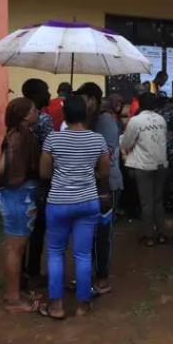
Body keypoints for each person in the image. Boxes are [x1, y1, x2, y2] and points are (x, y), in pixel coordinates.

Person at [38, 95, 110, 319]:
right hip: (88, 202)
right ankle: (82, 305)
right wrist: (90, 174)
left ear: (65, 115)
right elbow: (105, 172)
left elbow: (44, 173)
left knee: (56, 253)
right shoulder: (98, 140)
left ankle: (57, 306)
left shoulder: (53, 139)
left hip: (58, 202)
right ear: (86, 114)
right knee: (83, 254)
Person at [0, 97, 41, 313]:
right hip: (17, 195)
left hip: (17, 195)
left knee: (17, 247)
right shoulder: (18, 138)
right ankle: (13, 299)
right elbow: (3, 169)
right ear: (24, 115)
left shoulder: (20, 134)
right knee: (15, 248)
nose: (37, 111)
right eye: (33, 109)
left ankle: (14, 292)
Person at [76, 82, 122, 295]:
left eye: (84, 99)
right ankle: (86, 275)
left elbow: (106, 155)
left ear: (93, 100)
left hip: (106, 185)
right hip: (88, 184)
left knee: (102, 234)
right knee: (87, 233)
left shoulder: (106, 122)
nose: (81, 103)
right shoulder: (86, 121)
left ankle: (102, 277)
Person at [121, 92, 169, 247]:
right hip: (161, 164)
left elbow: (127, 143)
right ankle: (161, 234)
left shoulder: (136, 121)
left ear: (140, 104)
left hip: (144, 166)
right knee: (158, 201)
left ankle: (149, 236)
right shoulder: (161, 119)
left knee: (146, 202)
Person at [20, 79, 53, 288]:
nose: (49, 95)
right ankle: (33, 269)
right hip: (40, 178)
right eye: (46, 91)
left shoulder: (17, 117)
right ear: (35, 96)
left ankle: (21, 271)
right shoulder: (44, 119)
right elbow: (49, 148)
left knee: (23, 226)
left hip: (21, 177)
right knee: (39, 225)